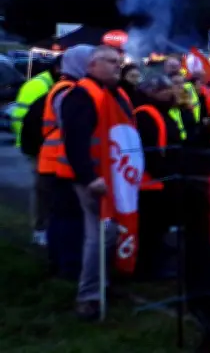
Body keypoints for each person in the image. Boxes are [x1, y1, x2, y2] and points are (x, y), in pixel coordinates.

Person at [56, 45, 133, 320]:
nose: (117, 66)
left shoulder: (116, 92)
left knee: (108, 234)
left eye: (119, 61)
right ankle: (88, 296)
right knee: (99, 235)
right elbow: (75, 141)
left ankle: (102, 284)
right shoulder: (81, 94)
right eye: (111, 61)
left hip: (115, 177)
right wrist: (89, 177)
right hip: (96, 179)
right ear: (92, 66)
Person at [35, 45, 93, 278]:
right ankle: (66, 265)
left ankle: (59, 262)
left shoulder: (63, 87)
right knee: (66, 216)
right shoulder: (68, 90)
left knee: (61, 215)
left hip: (55, 161)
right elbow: (71, 126)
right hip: (58, 163)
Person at [133, 75, 185, 279]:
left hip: (163, 180)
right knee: (150, 228)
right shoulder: (146, 115)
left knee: (159, 226)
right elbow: (150, 152)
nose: (171, 93)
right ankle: (149, 268)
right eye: (166, 90)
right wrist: (165, 174)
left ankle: (157, 262)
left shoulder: (161, 113)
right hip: (152, 183)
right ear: (152, 92)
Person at [12, 55, 62, 245]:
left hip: (46, 147)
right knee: (42, 190)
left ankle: (46, 227)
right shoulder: (38, 86)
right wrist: (37, 147)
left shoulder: (51, 84)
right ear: (58, 68)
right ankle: (39, 229)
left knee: (49, 190)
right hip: (37, 148)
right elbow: (21, 118)